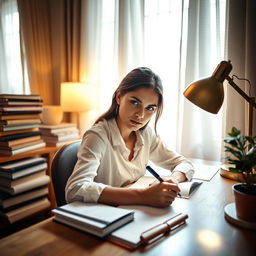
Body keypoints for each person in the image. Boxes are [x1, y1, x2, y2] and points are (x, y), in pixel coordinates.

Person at [65, 67, 194, 207]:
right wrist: (143, 196)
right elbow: (75, 189)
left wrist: (172, 181)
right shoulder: (97, 136)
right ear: (119, 97)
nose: (141, 115)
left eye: (150, 108)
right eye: (134, 102)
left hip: (134, 212)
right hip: (106, 216)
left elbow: (184, 164)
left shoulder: (145, 134)